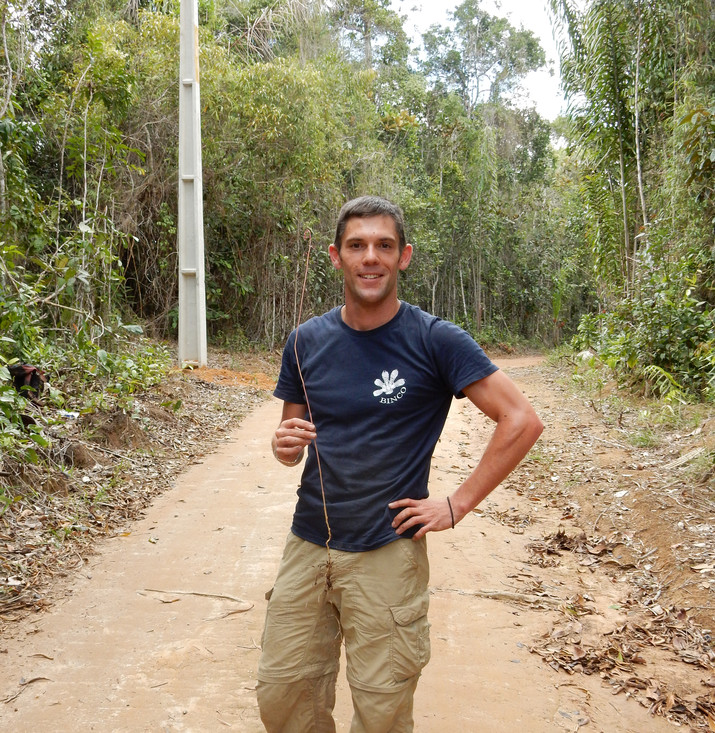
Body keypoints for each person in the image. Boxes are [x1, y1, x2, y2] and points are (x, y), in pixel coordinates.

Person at [256, 196, 544, 733]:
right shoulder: (305, 341)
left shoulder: (434, 340)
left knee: (381, 708)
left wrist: (456, 505)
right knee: (283, 694)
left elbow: (521, 419)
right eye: (357, 245)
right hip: (308, 543)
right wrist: (284, 447)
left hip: (387, 551)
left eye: (384, 246)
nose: (371, 257)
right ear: (336, 256)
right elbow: (289, 440)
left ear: (403, 256)